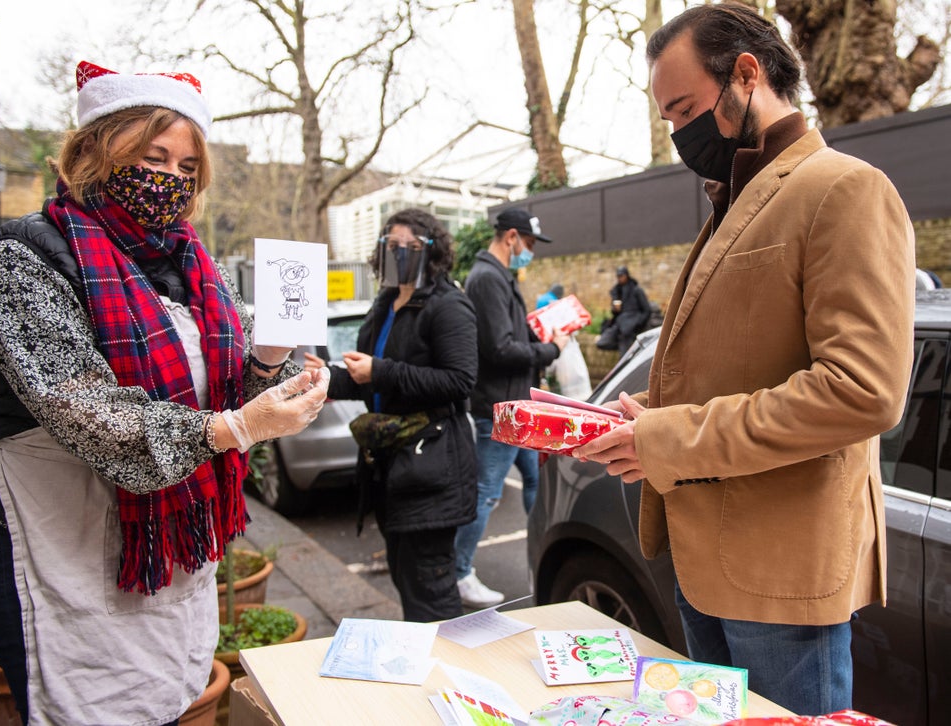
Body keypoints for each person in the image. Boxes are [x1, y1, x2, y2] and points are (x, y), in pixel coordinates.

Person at [573, 2, 915, 716]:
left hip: (781, 574)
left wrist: (667, 438)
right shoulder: (734, 198)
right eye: (667, 119)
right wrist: (652, 418)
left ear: (747, 74)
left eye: (685, 108)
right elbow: (739, 366)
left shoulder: (845, 188)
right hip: (704, 561)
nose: (677, 134)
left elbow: (862, 392)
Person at [0, 61, 330, 725]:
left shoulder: (194, 264)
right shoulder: (25, 258)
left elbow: (225, 389)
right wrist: (235, 429)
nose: (170, 176)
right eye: (152, 155)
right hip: (58, 544)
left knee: (164, 700)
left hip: (166, 555)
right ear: (97, 149)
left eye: (187, 165)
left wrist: (271, 361)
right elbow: (85, 412)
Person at [303, 208, 478, 623]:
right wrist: (328, 379)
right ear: (380, 251)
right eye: (392, 246)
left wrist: (380, 371)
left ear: (432, 252)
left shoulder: (448, 305)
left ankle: (448, 682)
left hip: (431, 466)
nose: (401, 254)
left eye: (412, 248)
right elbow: (370, 379)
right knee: (408, 582)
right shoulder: (385, 302)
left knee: (431, 596)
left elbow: (459, 381)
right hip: (392, 467)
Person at [454, 208, 568, 607]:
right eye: (530, 245)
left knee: (536, 483)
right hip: (500, 409)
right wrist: (551, 349)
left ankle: (540, 556)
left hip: (515, 407)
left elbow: (506, 337)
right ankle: (459, 573)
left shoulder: (496, 276)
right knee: (486, 493)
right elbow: (499, 349)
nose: (530, 253)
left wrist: (537, 334)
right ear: (512, 237)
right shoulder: (487, 278)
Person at [597, 266, 651, 354]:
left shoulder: (636, 290)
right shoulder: (617, 291)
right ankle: (624, 347)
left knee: (625, 355)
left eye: (621, 276)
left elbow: (646, 310)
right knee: (601, 342)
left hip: (630, 326)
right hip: (619, 324)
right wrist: (615, 310)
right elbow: (615, 313)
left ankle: (627, 349)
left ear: (627, 276)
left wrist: (637, 323)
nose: (620, 278)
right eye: (618, 276)